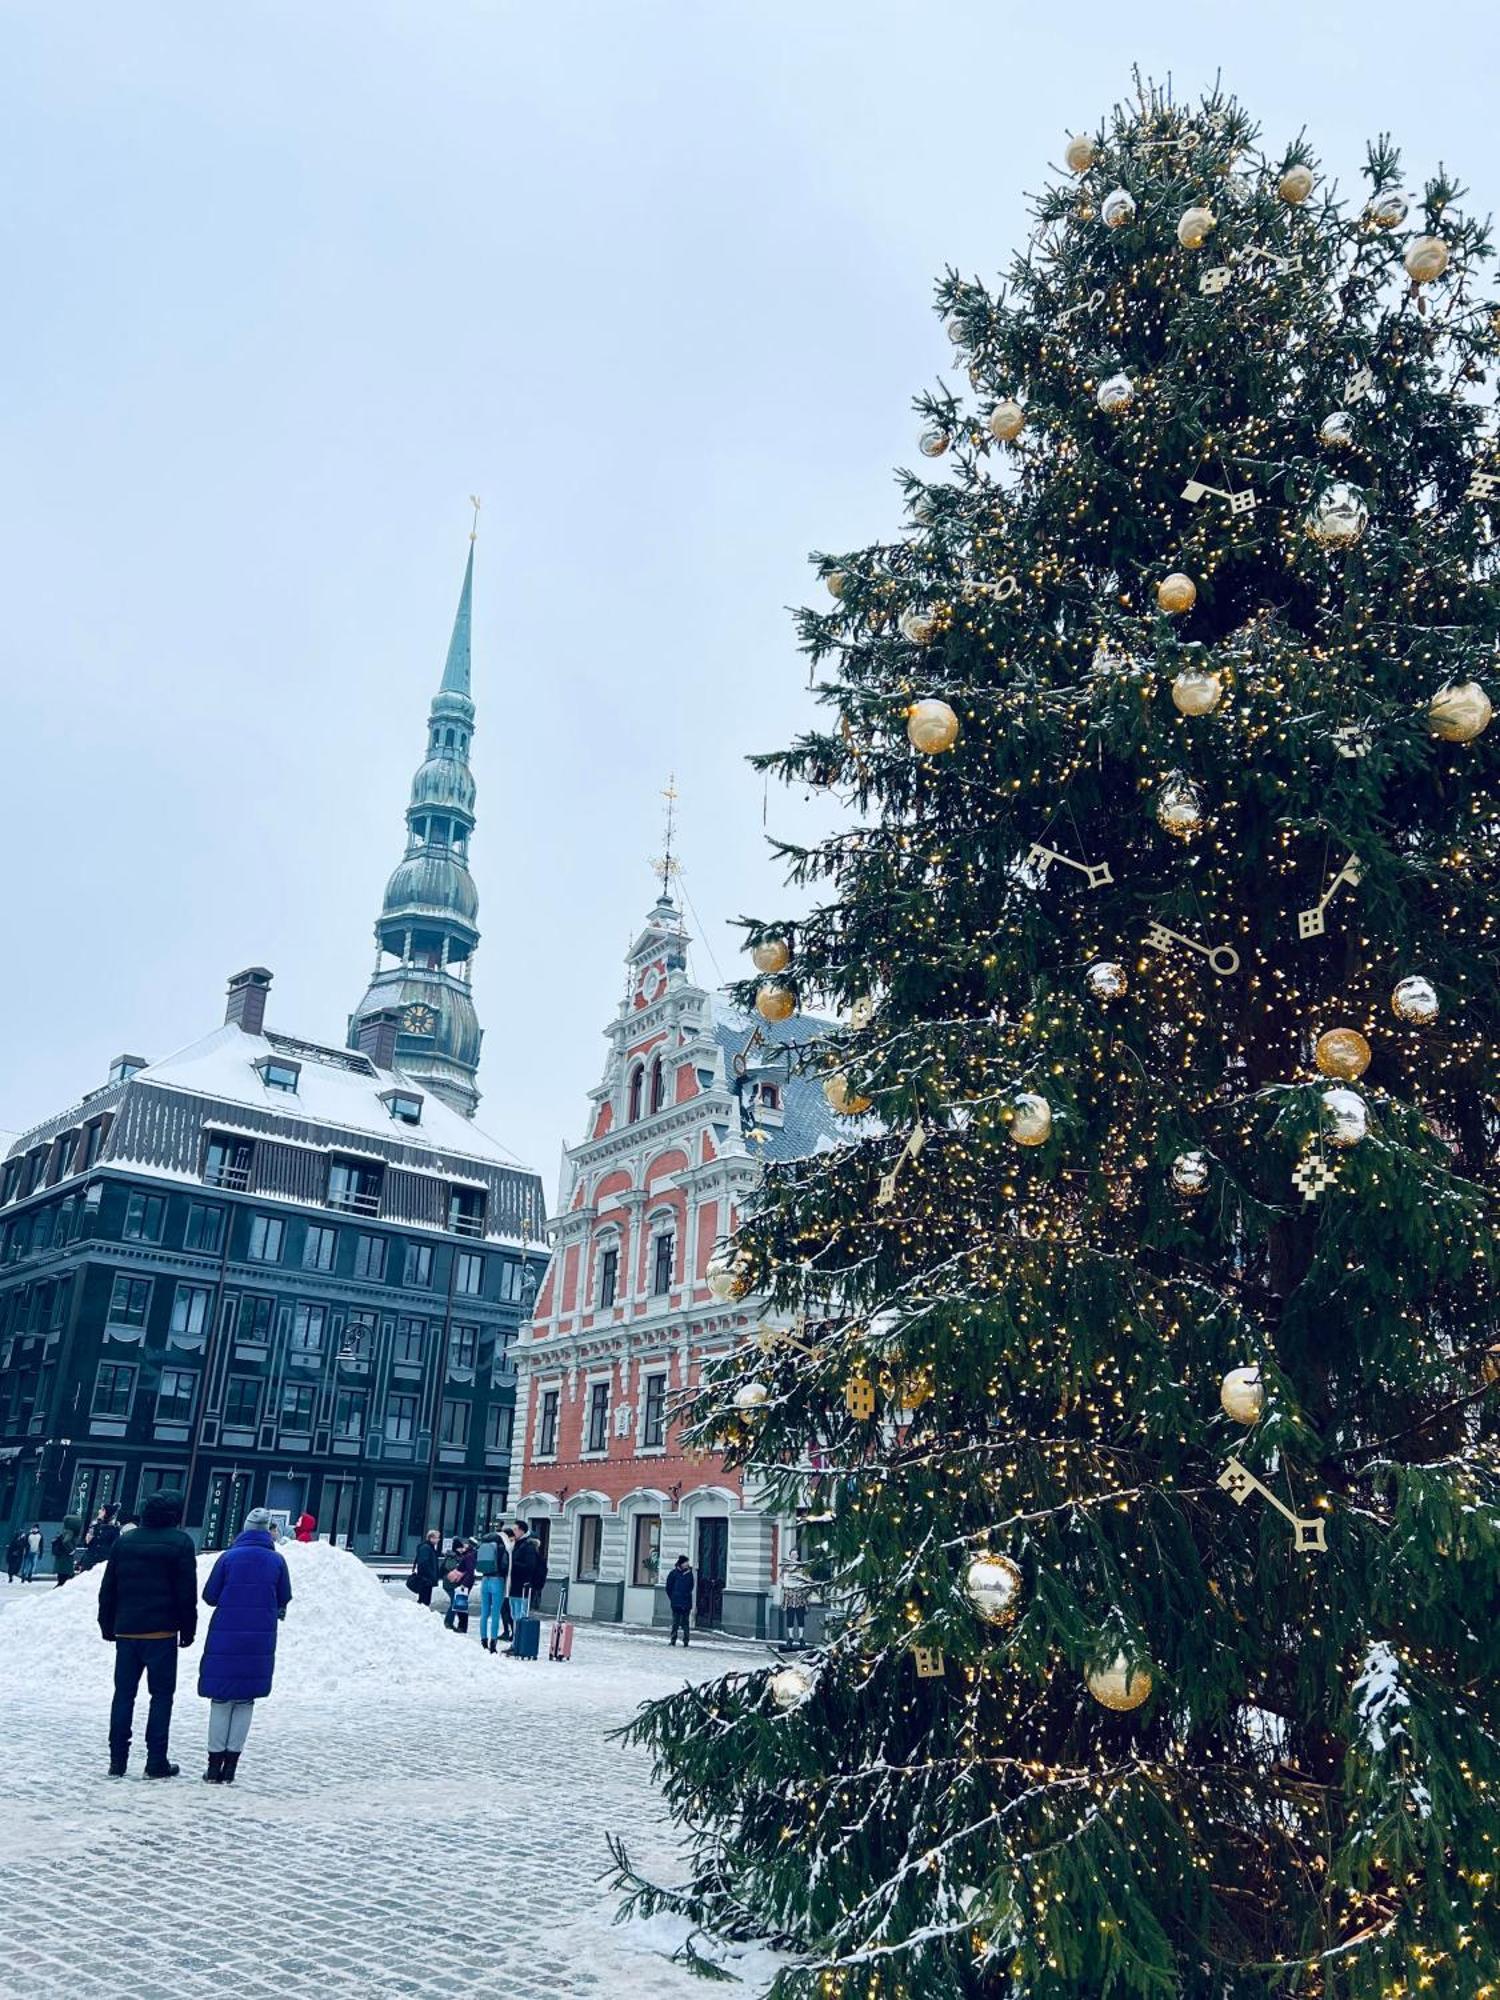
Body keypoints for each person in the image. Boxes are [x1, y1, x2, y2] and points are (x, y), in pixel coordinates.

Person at [97, 1489, 197, 1779]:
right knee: (161, 1696)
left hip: (127, 1632)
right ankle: (156, 1760)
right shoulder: (180, 1542)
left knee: (123, 1695)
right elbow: (185, 1593)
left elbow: (108, 1588)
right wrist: (187, 1630)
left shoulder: (125, 1541)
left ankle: (117, 1760)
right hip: (161, 1634)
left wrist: (107, 1625)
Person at [197, 1505, 292, 1783]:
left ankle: (213, 1765)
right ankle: (231, 1768)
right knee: (245, 1701)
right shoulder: (277, 1561)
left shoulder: (229, 1557)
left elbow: (210, 1595)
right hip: (259, 1637)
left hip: (225, 1636)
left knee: (221, 1699)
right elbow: (284, 1596)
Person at [473, 1522, 510, 1655]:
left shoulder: (483, 1546)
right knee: (495, 1613)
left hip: (485, 1579)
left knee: (484, 1612)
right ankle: (493, 1642)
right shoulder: (501, 1547)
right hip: (497, 1580)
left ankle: (483, 1640)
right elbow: (505, 1565)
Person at [442, 1538, 476, 1634]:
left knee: (458, 1603)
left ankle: (453, 1624)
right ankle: (448, 1622)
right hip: (451, 1584)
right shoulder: (453, 1557)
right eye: (461, 1547)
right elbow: (451, 1568)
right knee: (455, 1603)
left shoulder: (462, 1556)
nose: (462, 1549)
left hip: (455, 1584)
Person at [665, 1555, 695, 1647]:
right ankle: (673, 1639)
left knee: (685, 1622)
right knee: (675, 1622)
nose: (687, 1564)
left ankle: (686, 1641)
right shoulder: (673, 1573)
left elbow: (691, 1587)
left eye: (687, 1562)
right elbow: (668, 1587)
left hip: (686, 1601)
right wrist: (673, 1597)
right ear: (681, 1563)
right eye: (686, 1562)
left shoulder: (690, 1574)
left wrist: (686, 1595)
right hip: (676, 1602)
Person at [410, 1527, 441, 1607]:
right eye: (437, 1538)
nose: (438, 1540)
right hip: (425, 1579)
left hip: (427, 1579)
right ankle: (420, 1615)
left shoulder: (429, 1547)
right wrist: (431, 1574)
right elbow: (423, 1563)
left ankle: (421, 1614)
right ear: (431, 1538)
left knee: (425, 1599)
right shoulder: (426, 1548)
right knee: (424, 1600)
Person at [51, 1515, 80, 1585]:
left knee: (62, 1578)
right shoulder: (70, 1532)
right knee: (65, 1577)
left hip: (62, 1558)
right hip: (65, 1558)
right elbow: (66, 1541)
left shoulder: (66, 1531)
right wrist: (71, 1550)